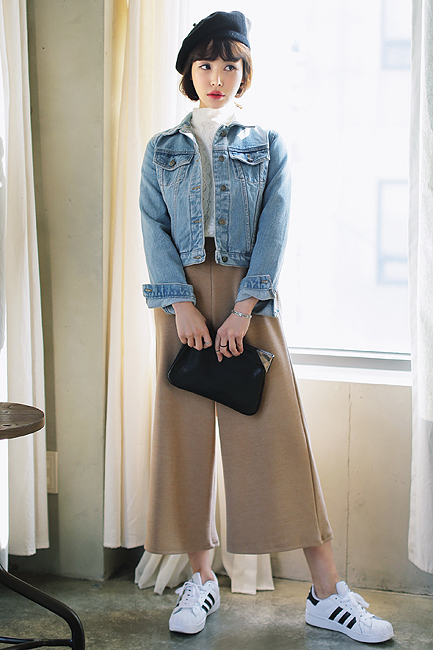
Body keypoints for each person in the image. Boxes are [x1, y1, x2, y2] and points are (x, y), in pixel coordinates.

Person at [139, 10, 393, 644]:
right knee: (183, 442)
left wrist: (245, 307)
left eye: (230, 65)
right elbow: (154, 227)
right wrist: (181, 305)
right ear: (188, 71)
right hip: (180, 301)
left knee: (279, 442)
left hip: (249, 298)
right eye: (205, 65)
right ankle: (200, 580)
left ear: (245, 72)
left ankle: (326, 594)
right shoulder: (161, 148)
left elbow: (275, 228)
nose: (216, 77)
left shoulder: (267, 143)